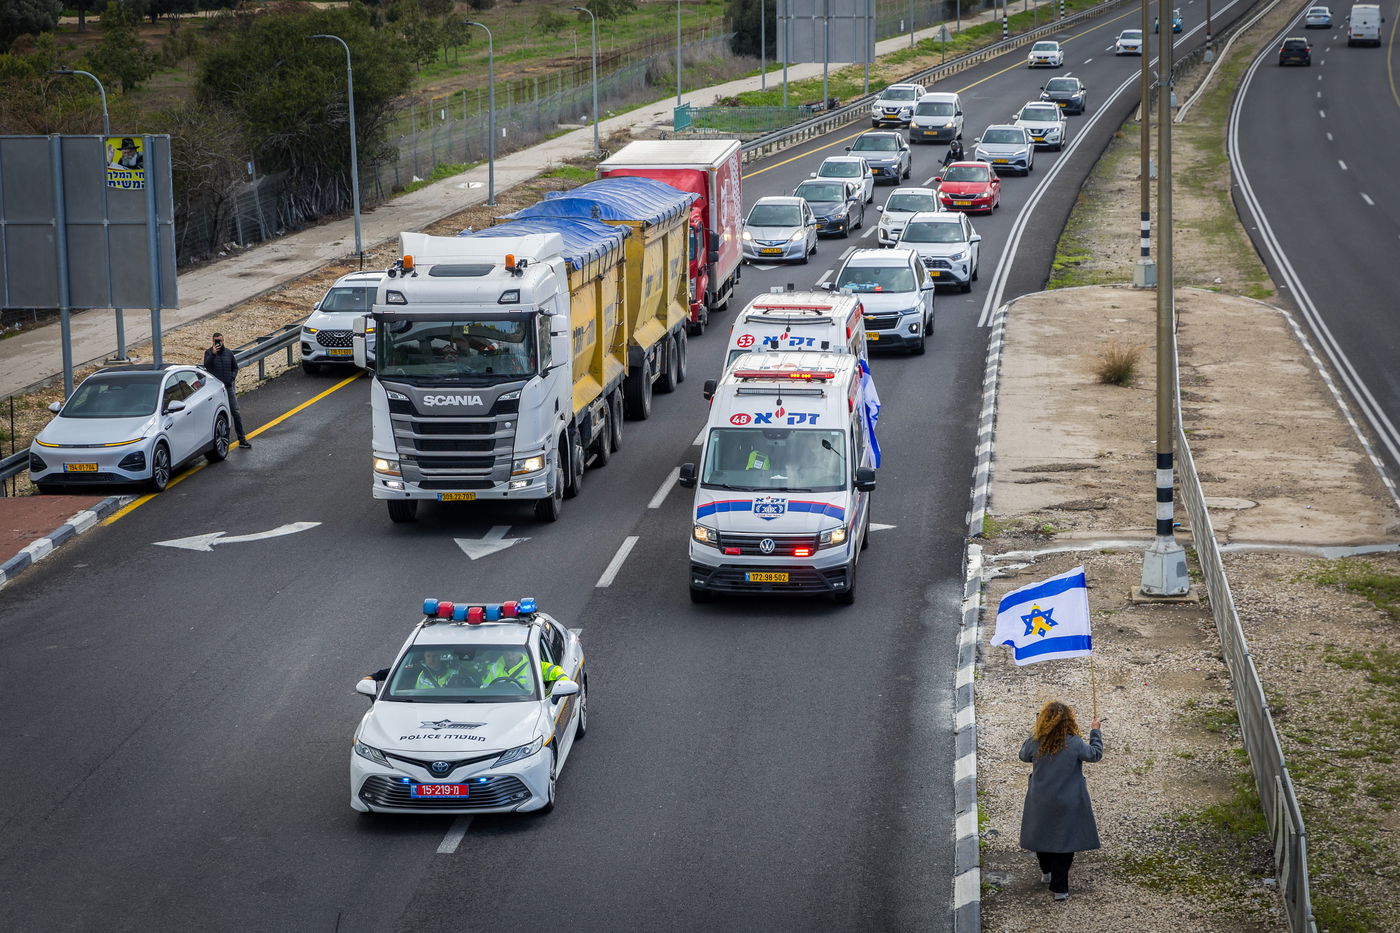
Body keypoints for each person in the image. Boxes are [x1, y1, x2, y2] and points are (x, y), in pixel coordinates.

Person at [1018, 700, 1103, 901]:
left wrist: (1034, 731)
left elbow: (1023, 756)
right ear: (1069, 721)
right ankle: (1060, 889)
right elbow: (1095, 755)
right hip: (1069, 800)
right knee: (1065, 843)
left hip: (1041, 799)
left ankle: (1046, 872)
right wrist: (1095, 731)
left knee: (1042, 835)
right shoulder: (1073, 742)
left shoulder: (1037, 741)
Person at [203, 332, 251, 448]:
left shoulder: (229, 353)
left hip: (228, 388)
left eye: (220, 340)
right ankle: (222, 442)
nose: (219, 343)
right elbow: (207, 367)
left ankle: (242, 439)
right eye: (216, 341)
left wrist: (232, 377)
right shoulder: (209, 353)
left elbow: (235, 367)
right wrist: (213, 354)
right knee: (220, 415)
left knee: (236, 413)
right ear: (213, 341)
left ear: (223, 340)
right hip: (216, 391)